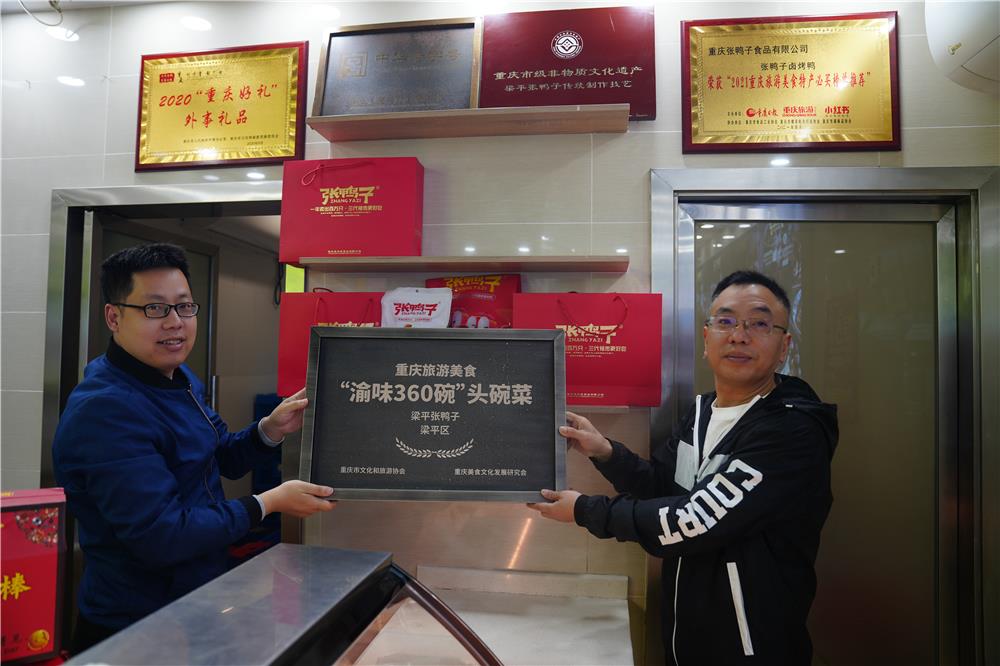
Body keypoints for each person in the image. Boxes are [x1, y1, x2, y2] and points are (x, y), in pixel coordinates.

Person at [529, 270, 838, 665]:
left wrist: (584, 510)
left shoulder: (792, 430)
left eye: (759, 324)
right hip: (686, 640)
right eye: (725, 321)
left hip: (752, 648)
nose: (739, 335)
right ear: (706, 339)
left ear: (784, 347)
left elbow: (694, 519)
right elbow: (664, 487)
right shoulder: (701, 411)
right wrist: (605, 451)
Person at [53, 243, 335, 653]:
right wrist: (267, 503)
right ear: (113, 317)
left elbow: (219, 457)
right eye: (155, 308)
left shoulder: (177, 377)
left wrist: (269, 429)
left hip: (194, 602)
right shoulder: (106, 410)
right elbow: (162, 535)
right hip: (135, 626)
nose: (175, 323)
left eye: (184, 307)